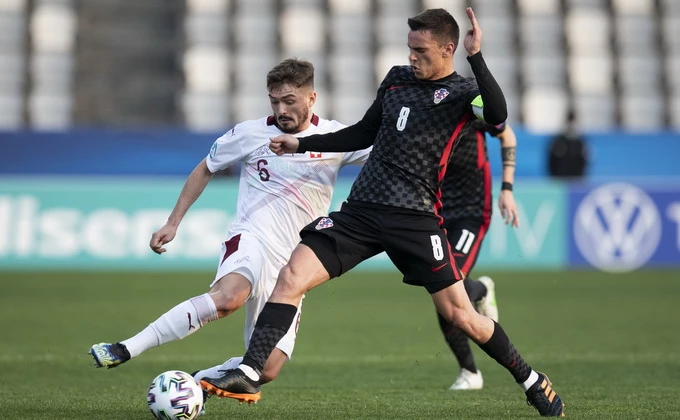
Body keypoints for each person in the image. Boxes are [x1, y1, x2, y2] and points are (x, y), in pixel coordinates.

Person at [201, 8, 565, 417]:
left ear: (448, 50)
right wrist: (302, 144)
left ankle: (532, 380)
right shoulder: (396, 80)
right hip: (362, 211)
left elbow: (498, 115)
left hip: (415, 218)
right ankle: (250, 371)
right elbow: (362, 132)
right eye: (410, 47)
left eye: (421, 50)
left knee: (459, 315)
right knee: (291, 276)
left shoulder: (464, 94)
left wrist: (476, 57)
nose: (412, 56)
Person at [88, 58, 371, 392]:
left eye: (289, 101)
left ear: (312, 98)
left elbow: (385, 156)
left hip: (295, 261)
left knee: (267, 369)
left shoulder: (335, 138)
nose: (281, 110)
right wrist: (172, 222)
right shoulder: (250, 133)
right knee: (228, 297)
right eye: (274, 101)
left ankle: (194, 385)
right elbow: (205, 168)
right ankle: (126, 348)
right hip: (253, 237)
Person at [434, 120, 520, 390]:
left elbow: (508, 136)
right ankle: (481, 289)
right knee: (440, 290)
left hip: (471, 212)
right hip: (436, 211)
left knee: (449, 285)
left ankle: (470, 372)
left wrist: (507, 188)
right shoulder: (424, 111)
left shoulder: (471, 106)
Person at [548, 108, 588, 179]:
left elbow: (584, 161)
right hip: (561, 179)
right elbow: (552, 162)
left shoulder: (581, 142)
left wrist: (580, 177)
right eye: (570, 122)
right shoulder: (558, 141)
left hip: (576, 179)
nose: (572, 125)